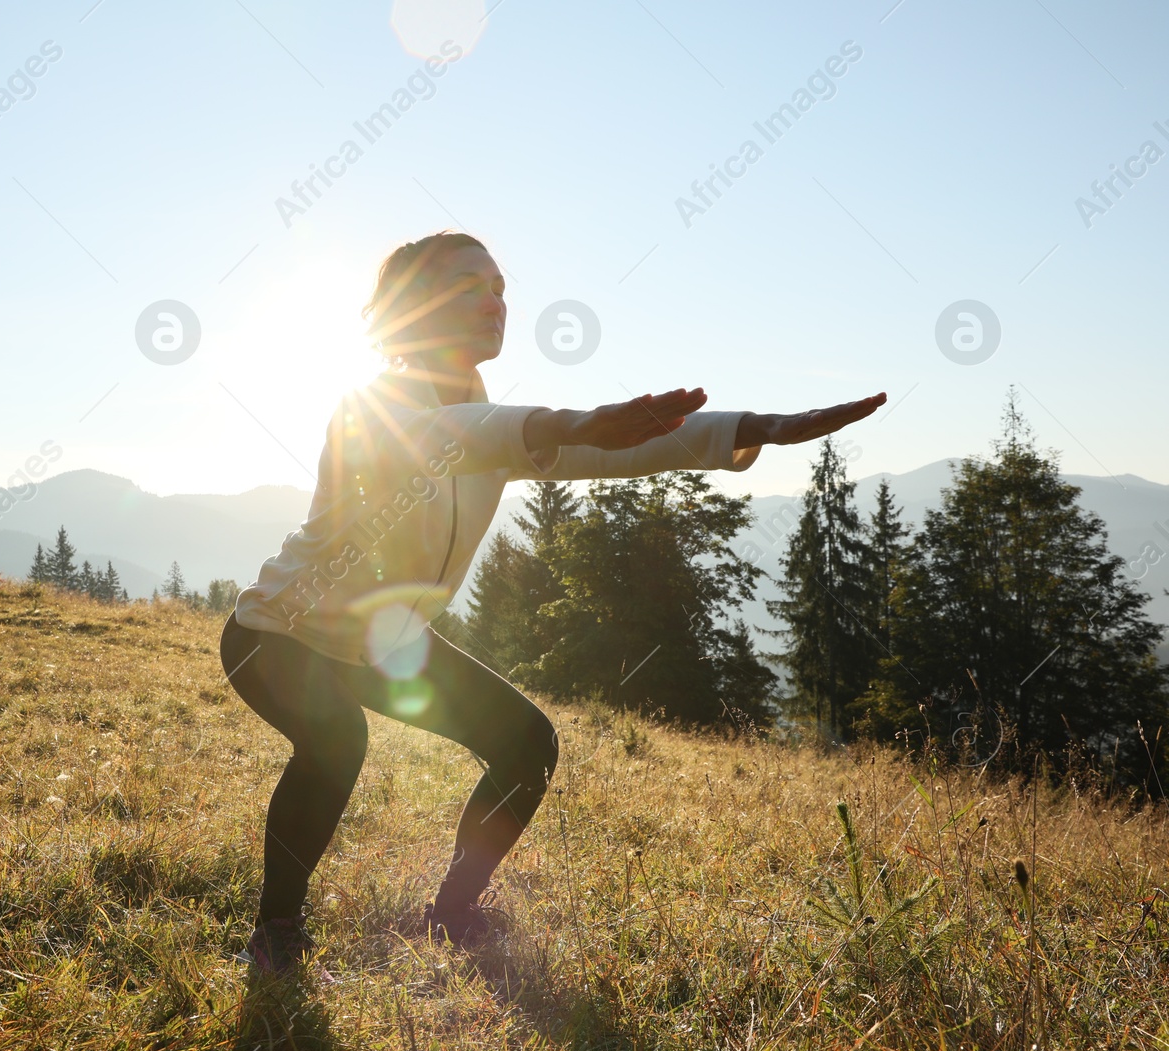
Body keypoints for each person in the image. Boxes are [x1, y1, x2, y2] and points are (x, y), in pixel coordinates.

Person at [219, 231, 886, 977]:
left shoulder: (485, 418)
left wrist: (745, 429)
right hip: (278, 632)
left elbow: (605, 449)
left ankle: (452, 913)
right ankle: (275, 930)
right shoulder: (376, 406)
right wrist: (568, 422)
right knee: (337, 740)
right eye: (471, 284)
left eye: (501, 286)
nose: (495, 299)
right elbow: (462, 437)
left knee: (526, 743)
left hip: (381, 641)